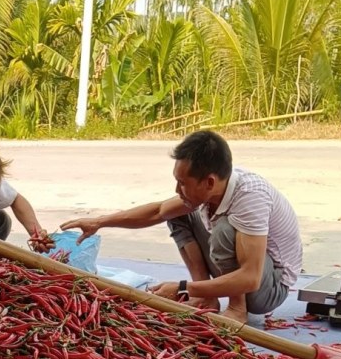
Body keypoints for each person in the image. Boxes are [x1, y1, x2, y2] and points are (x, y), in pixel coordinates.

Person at [60, 130, 302, 323]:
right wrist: (99, 222)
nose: (177, 190)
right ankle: (206, 300)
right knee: (178, 213)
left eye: (182, 183)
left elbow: (251, 278)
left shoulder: (250, 198)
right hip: (249, 273)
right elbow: (158, 211)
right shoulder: (216, 187)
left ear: (209, 182)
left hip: (267, 288)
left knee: (225, 230)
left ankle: (238, 309)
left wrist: (184, 287)